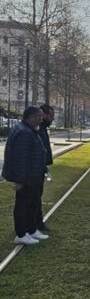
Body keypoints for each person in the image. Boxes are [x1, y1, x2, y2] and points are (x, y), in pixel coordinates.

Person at [1, 107, 50, 245]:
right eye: (39, 117)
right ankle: (21, 234)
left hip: (33, 175)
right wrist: (20, 180)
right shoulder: (24, 132)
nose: (41, 119)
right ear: (30, 117)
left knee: (33, 204)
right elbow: (20, 159)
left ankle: (32, 230)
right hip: (26, 178)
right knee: (23, 205)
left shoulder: (28, 130)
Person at [36, 104, 55, 232]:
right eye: (50, 116)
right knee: (33, 199)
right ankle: (32, 226)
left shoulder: (42, 129)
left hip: (40, 168)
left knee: (37, 198)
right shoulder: (37, 129)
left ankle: (37, 224)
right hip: (35, 169)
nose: (51, 118)